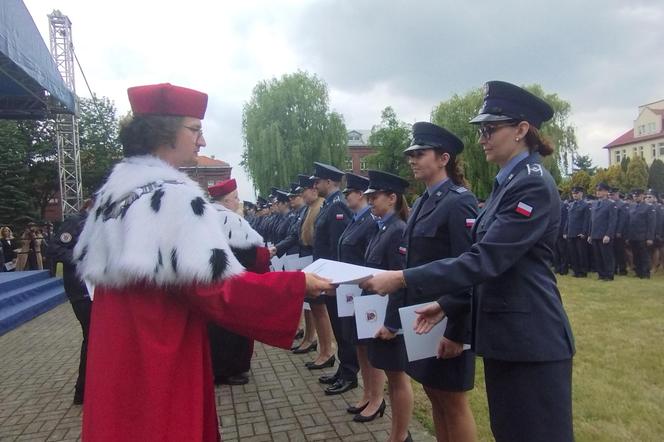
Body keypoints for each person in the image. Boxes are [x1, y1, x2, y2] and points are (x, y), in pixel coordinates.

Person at [73, 83, 332, 442]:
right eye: (194, 129)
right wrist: (296, 285)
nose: (202, 141)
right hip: (160, 350)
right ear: (163, 131)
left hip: (120, 351)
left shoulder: (114, 193)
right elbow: (214, 290)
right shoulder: (170, 196)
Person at [362, 81, 575, 442]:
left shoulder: (532, 184)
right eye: (481, 131)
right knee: (509, 430)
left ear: (522, 130)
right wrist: (447, 305)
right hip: (508, 336)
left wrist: (403, 278)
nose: (482, 139)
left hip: (531, 340)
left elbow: (484, 259)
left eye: (490, 129)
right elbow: (485, 264)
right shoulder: (507, 183)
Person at [401, 122, 478, 442]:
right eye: (411, 154)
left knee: (453, 400)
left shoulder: (459, 201)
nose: (413, 159)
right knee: (434, 393)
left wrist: (457, 332)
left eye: (421, 154)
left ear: (444, 158)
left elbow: (468, 269)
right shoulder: (421, 202)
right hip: (421, 315)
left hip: (447, 317)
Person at [361, 170, 412, 441]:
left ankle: (400, 435)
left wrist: (393, 324)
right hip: (378, 314)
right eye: (368, 197)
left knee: (397, 377)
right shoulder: (382, 227)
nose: (370, 202)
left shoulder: (397, 230)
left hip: (390, 319)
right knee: (392, 378)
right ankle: (397, 433)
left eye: (375, 197)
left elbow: (400, 279)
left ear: (392, 198)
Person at [207, 178, 270, 385]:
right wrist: (265, 255)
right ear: (225, 201)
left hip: (212, 284)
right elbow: (251, 256)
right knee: (233, 330)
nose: (237, 202)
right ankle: (233, 369)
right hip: (235, 284)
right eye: (235, 198)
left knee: (216, 329)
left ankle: (217, 368)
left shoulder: (205, 217)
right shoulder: (232, 221)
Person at [333, 173, 379, 399]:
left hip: (364, 291)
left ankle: (375, 397)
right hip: (351, 291)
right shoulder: (356, 220)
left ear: (360, 194)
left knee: (367, 347)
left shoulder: (369, 221)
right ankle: (367, 395)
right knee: (358, 344)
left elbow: (369, 259)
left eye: (348, 193)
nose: (345, 197)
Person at [310, 162, 358, 379]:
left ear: (329, 182)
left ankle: (348, 372)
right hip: (327, 277)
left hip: (334, 279)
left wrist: (334, 280)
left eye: (318, 181)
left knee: (342, 328)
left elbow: (338, 247)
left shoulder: (337, 206)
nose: (315, 185)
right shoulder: (329, 204)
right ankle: (343, 368)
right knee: (339, 328)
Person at [46, 200, 94, 404]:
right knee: (90, 336)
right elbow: (55, 248)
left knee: (94, 337)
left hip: (94, 290)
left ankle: (87, 389)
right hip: (80, 289)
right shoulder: (76, 222)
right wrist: (82, 261)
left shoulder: (99, 224)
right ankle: (82, 391)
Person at [293, 174, 330, 356]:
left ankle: (326, 351)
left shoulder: (321, 205)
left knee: (319, 308)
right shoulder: (309, 208)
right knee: (311, 306)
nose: (302, 195)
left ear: (313, 190)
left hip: (317, 260)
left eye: (303, 191)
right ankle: (312, 341)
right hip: (309, 257)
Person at [588, 182, 618, 281]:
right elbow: (592, 220)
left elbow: (612, 221)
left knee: (607, 256)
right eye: (597, 190)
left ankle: (609, 275)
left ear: (606, 191)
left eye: (600, 190)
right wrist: (590, 234)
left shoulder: (611, 204)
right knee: (598, 256)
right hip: (595, 234)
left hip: (604, 234)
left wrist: (608, 234)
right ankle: (601, 274)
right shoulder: (595, 203)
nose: (598, 192)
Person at [627, 189, 657, 278]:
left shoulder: (649, 207)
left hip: (643, 236)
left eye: (637, 196)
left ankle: (645, 273)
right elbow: (629, 222)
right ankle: (638, 272)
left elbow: (651, 224)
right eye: (634, 196)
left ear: (642, 196)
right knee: (636, 255)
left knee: (644, 255)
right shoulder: (632, 206)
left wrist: (650, 237)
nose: (636, 197)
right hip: (633, 235)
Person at [566, 186, 591, 277]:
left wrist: (584, 232)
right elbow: (568, 219)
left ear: (581, 193)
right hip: (571, 232)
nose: (574, 195)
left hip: (579, 233)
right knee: (573, 254)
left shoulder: (585, 205)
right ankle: (576, 271)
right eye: (573, 193)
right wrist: (566, 231)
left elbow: (586, 220)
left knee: (581, 253)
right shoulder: (571, 205)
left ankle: (583, 271)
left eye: (576, 193)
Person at [609, 188, 629, 275]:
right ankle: (614, 269)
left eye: (612, 195)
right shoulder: (610, 204)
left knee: (620, 252)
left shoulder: (622, 204)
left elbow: (622, 220)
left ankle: (622, 270)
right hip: (611, 232)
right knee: (612, 252)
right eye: (610, 195)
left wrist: (619, 231)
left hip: (619, 232)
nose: (611, 196)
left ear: (617, 194)